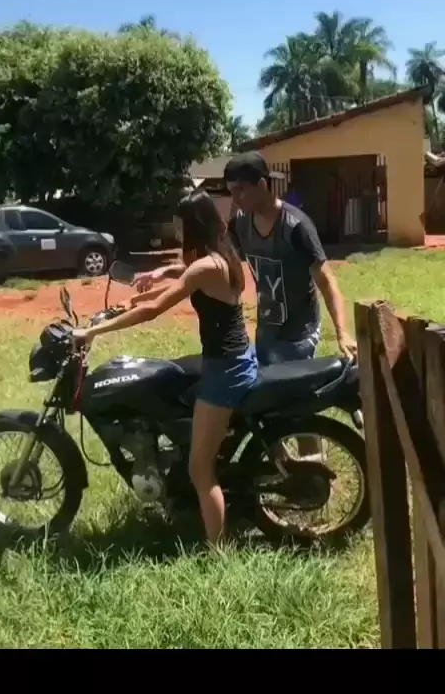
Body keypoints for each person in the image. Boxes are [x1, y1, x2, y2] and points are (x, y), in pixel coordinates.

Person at [72, 191, 258, 547]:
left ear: (193, 226)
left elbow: (155, 308)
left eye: (180, 225)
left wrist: (94, 331)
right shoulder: (225, 255)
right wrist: (155, 276)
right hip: (233, 358)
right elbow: (183, 275)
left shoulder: (206, 266)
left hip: (225, 370)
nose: (176, 230)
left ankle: (219, 552)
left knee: (200, 469)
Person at [224, 151, 357, 461]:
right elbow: (218, 260)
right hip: (267, 329)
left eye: (240, 190)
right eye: (231, 191)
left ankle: (314, 471)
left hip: (299, 332)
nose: (235, 198)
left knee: (295, 409)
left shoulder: (295, 226)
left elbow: (327, 281)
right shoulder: (240, 225)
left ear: (262, 185)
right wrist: (170, 272)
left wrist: (342, 332)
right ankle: (282, 470)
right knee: (262, 404)